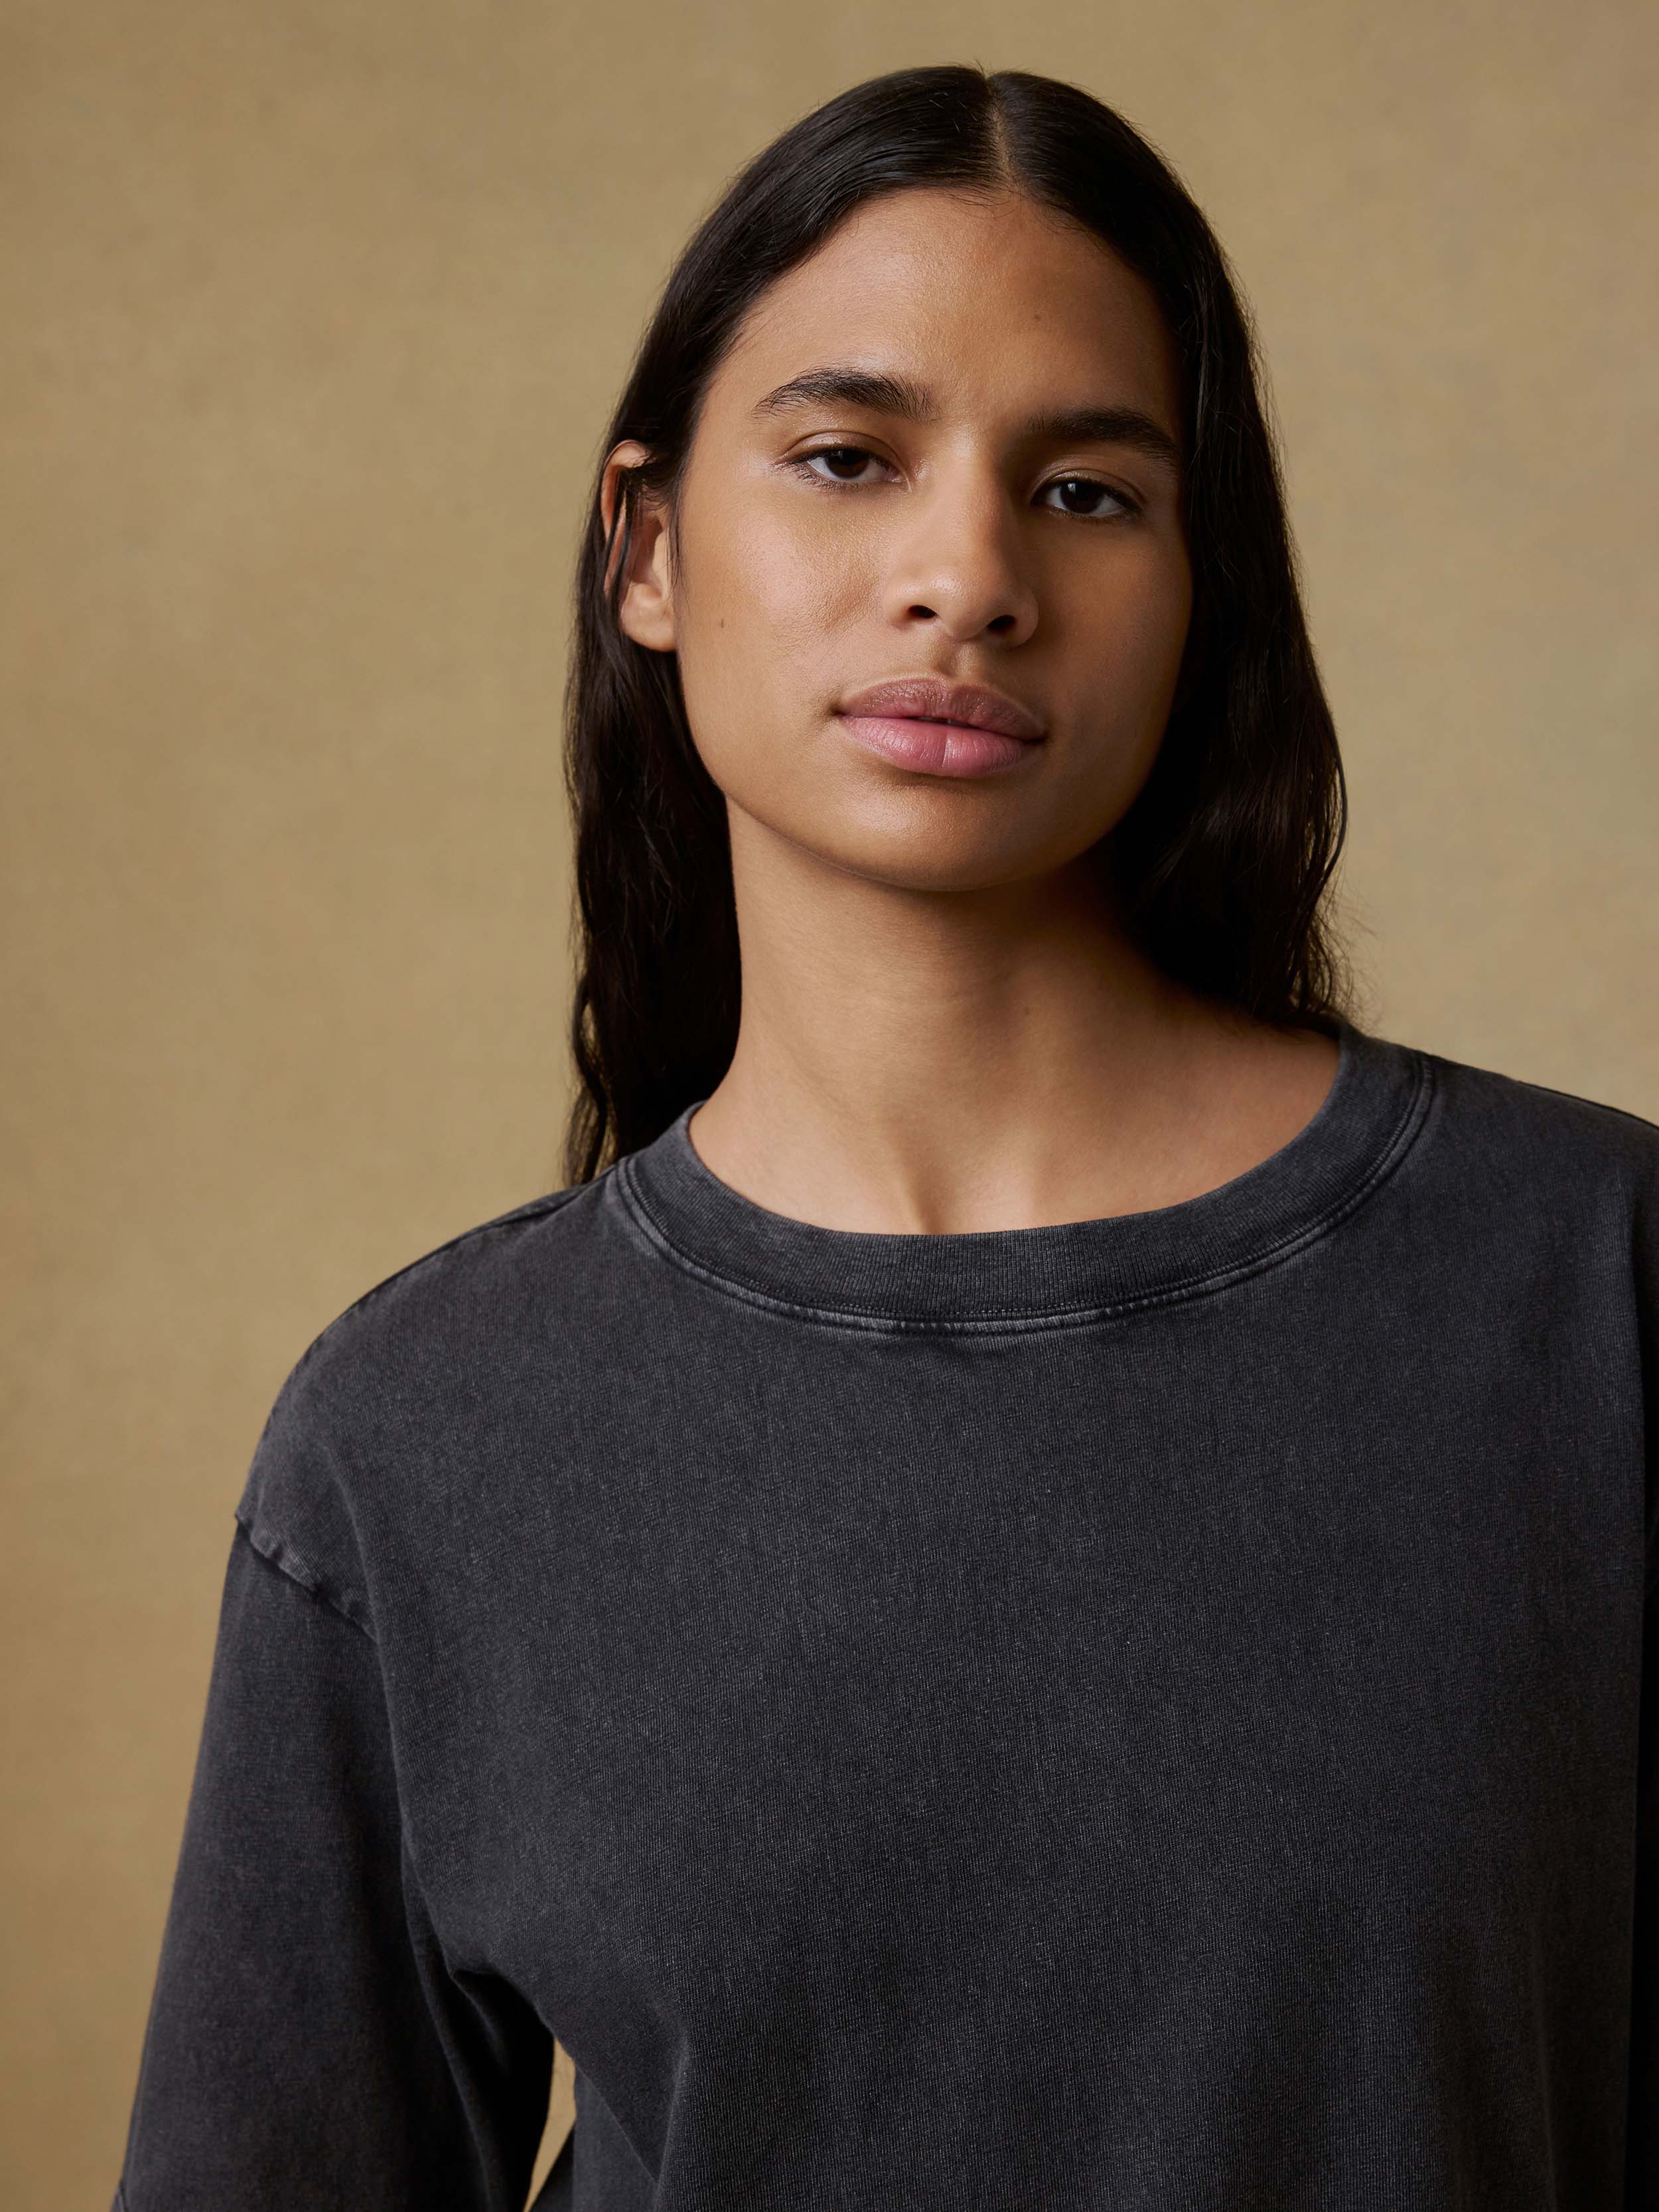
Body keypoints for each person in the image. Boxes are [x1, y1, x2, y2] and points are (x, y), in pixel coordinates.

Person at [112, 64, 1658, 2212]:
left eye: (1091, 492)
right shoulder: (421, 1443)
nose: (966, 575)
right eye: (847, 459)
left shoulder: (1598, 1290)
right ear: (648, 548)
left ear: (1201, 586)